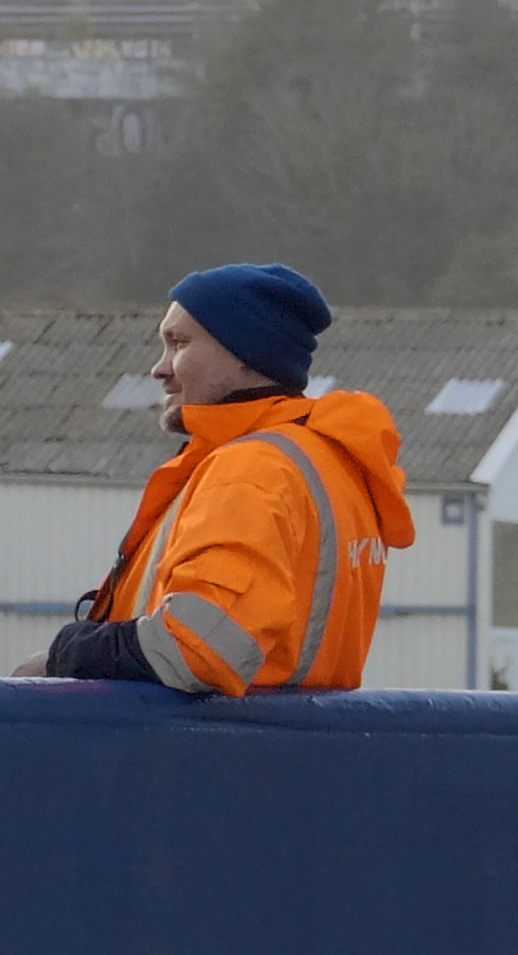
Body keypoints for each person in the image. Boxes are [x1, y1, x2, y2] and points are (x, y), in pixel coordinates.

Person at [37, 263, 412, 695]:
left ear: (246, 354)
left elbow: (198, 649)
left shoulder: (252, 469)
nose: (160, 368)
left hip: (210, 754)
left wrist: (64, 654)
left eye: (179, 343)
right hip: (294, 750)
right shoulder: (330, 462)